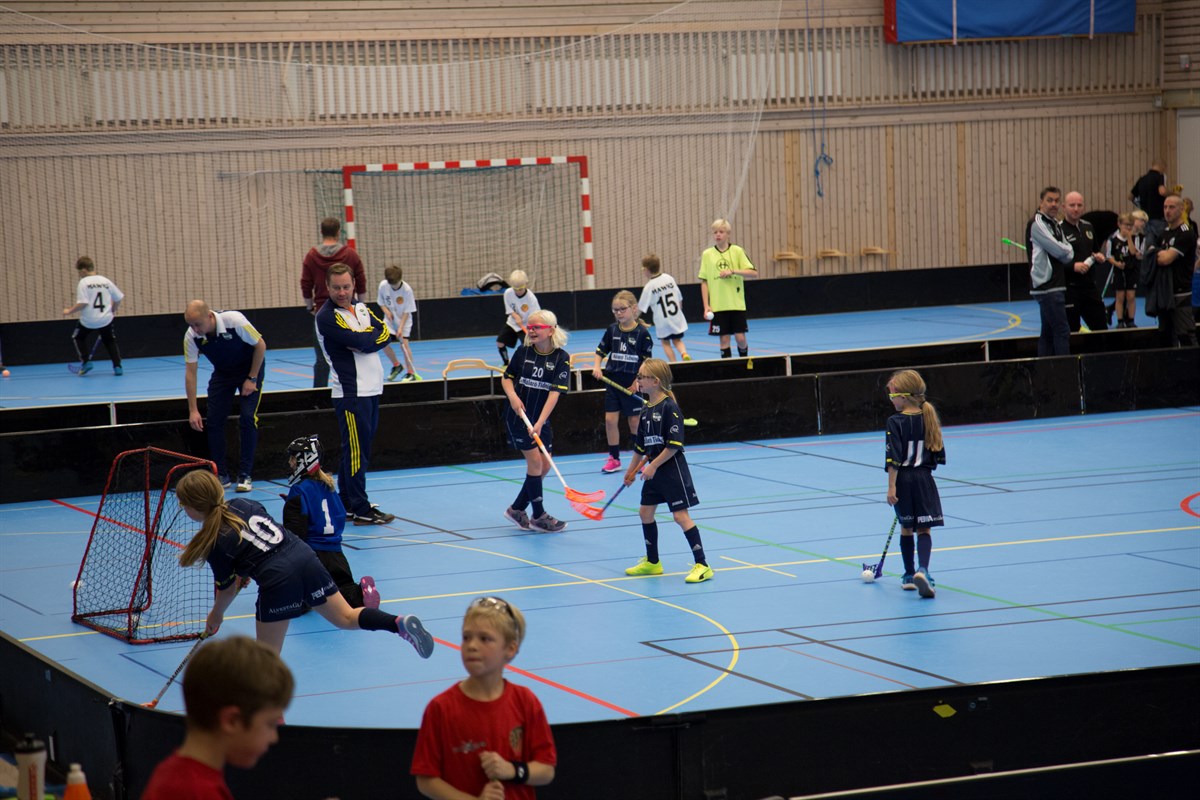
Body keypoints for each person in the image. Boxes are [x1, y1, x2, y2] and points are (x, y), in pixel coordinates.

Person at [174, 469, 433, 657]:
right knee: (346, 617)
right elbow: (256, 543)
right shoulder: (245, 503)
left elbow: (228, 589)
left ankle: (271, 715)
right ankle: (397, 623)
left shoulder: (213, 542)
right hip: (304, 557)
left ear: (193, 508)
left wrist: (216, 615)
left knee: (266, 660)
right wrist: (244, 570)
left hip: (277, 578)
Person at [411, 596, 557, 800]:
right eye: (466, 637)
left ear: (510, 649)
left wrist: (512, 770)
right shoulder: (440, 708)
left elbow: (546, 769)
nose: (472, 645)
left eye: (484, 639)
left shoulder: (525, 701)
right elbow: (426, 780)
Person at [140, 636, 293, 800]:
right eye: (270, 724)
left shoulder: (178, 773)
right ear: (232, 721)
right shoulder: (195, 791)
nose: (274, 737)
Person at [316, 263, 397, 526]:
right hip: (352, 394)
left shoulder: (361, 308)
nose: (342, 292)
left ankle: (348, 502)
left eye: (346, 287)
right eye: (336, 287)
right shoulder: (327, 316)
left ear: (354, 286)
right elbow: (363, 342)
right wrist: (368, 338)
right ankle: (361, 508)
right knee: (356, 453)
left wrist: (366, 338)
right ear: (327, 287)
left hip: (371, 390)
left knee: (359, 451)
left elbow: (385, 334)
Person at [622, 358, 712, 584]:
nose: (638, 380)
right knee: (645, 512)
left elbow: (674, 445)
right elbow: (640, 447)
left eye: (641, 377)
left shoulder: (669, 408)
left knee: (680, 516)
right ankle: (653, 562)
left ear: (655, 381)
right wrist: (631, 471)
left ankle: (703, 565)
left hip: (671, 470)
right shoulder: (645, 409)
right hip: (654, 471)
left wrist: (652, 466)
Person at [281, 434, 379, 610]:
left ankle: (304, 599)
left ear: (305, 460)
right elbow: (339, 516)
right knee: (344, 590)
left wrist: (291, 508)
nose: (290, 463)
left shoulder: (299, 490)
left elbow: (296, 534)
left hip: (312, 557)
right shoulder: (329, 486)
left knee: (296, 598)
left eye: (293, 458)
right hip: (336, 554)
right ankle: (361, 594)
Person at [500, 309, 571, 534]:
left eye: (536, 327)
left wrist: (540, 422)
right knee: (536, 464)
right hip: (518, 417)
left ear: (550, 330)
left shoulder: (561, 358)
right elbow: (507, 378)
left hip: (540, 419)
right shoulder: (523, 352)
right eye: (529, 327)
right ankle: (538, 516)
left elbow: (554, 393)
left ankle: (517, 509)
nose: (531, 331)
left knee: (545, 465)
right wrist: (513, 396)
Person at [184, 300, 266, 492]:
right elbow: (190, 373)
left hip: (249, 370)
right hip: (223, 373)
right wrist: (193, 410)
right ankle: (220, 474)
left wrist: (252, 378)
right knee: (213, 421)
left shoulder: (235, 321)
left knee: (247, 417)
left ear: (209, 316)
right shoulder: (191, 336)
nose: (195, 329)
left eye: (198, 324)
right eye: (191, 325)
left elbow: (261, 345)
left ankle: (245, 474)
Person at [884, 369, 946, 599]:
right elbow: (938, 455)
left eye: (892, 396)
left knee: (906, 527)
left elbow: (893, 458)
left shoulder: (895, 421)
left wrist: (892, 487)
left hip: (903, 480)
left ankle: (909, 575)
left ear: (903, 397)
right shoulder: (928, 417)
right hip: (924, 479)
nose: (891, 401)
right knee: (924, 528)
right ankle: (924, 570)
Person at [301, 217, 368, 389]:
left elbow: (306, 283)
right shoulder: (350, 254)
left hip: (323, 311)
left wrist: (309, 306)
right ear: (339, 232)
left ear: (321, 232)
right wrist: (361, 307)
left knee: (322, 359)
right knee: (354, 353)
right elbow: (361, 280)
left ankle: (319, 396)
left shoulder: (311, 256)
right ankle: (356, 390)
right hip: (348, 311)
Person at [592, 290, 653, 474]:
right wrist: (597, 366)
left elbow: (646, 362)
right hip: (613, 382)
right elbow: (600, 351)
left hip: (633, 384)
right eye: (615, 310)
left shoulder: (642, 334)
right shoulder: (612, 330)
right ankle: (614, 458)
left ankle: (639, 460)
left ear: (634, 309)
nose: (618, 313)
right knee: (610, 420)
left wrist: (638, 381)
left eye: (622, 309)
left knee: (635, 422)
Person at [1025, 187, 1075, 356]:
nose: (1054, 204)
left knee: (1048, 333)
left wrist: (1065, 250)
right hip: (1047, 287)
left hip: (1055, 286)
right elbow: (1060, 251)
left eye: (1057, 201)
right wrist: (1065, 250)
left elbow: (1068, 253)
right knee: (1062, 331)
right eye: (1049, 200)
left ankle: (1046, 370)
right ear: (1041, 202)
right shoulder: (1037, 223)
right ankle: (1064, 370)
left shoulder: (1055, 224)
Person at [698, 218, 756, 361]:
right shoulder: (707, 254)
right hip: (718, 306)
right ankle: (727, 368)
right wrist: (706, 306)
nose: (718, 235)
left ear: (728, 234)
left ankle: (745, 363)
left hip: (736, 304)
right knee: (724, 340)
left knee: (740, 338)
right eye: (715, 232)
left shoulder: (737, 251)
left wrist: (733, 271)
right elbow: (704, 281)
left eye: (721, 232)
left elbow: (753, 273)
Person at [1145, 194, 1198, 347]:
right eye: (1165, 207)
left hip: (1181, 292)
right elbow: (1149, 255)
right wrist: (1156, 254)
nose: (1167, 211)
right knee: (1165, 336)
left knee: (1186, 336)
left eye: (1172, 207)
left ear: (1181, 209)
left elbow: (1165, 259)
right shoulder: (1164, 233)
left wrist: (1156, 254)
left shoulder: (1186, 232)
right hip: (1165, 293)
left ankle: (1193, 362)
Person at [63, 256, 124, 376]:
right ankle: (118, 367)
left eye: (79, 272)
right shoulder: (105, 280)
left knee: (78, 337)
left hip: (89, 320)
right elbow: (118, 298)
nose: (79, 275)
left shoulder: (84, 282)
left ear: (84, 270)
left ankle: (86, 362)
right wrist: (113, 309)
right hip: (105, 319)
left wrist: (69, 311)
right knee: (110, 341)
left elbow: (83, 303)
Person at [1059, 191, 1108, 332]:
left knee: (1101, 329)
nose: (1076, 209)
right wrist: (1072, 266)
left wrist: (1098, 257)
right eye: (1072, 205)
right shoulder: (1058, 230)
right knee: (1072, 330)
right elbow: (1053, 262)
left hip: (1090, 287)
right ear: (1064, 207)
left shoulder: (1088, 227)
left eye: (1079, 205)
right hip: (1069, 289)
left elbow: (1095, 251)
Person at [637, 254, 690, 362]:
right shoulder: (669, 278)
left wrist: (633, 318)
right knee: (677, 340)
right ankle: (684, 353)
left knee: (665, 343)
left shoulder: (649, 287)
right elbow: (679, 297)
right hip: (675, 316)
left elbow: (641, 308)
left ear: (646, 270)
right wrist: (679, 312)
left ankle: (674, 363)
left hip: (662, 320)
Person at [377, 264, 421, 382]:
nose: (394, 287)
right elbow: (381, 302)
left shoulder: (407, 290)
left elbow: (407, 311)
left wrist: (401, 328)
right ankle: (396, 365)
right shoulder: (383, 286)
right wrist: (386, 312)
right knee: (382, 342)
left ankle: (410, 373)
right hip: (390, 321)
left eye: (396, 284)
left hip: (404, 321)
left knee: (404, 346)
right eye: (392, 285)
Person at [496, 270, 541, 367]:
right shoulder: (508, 293)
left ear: (526, 284)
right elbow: (509, 308)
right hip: (512, 323)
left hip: (526, 325)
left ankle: (529, 364)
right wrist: (515, 316)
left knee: (527, 346)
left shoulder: (531, 298)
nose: (518, 291)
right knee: (500, 342)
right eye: (515, 289)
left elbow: (536, 315)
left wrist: (530, 326)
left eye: (520, 289)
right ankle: (506, 363)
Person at [1103, 213, 1138, 328]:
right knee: (1120, 297)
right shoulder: (1112, 240)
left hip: (1131, 271)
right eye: (1126, 225)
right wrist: (1117, 264)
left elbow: (1133, 252)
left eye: (1130, 225)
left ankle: (1131, 320)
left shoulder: (1135, 238)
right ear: (1119, 224)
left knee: (1131, 296)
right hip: (1118, 271)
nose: (1128, 227)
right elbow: (1109, 256)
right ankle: (1120, 321)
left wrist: (1129, 238)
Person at [1130, 160, 1169, 244]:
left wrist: (1140, 205)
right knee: (1161, 243)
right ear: (1163, 166)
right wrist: (1174, 194)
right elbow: (1162, 191)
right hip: (1158, 217)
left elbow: (1131, 196)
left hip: (1146, 218)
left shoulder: (1142, 179)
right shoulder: (1160, 176)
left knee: (1149, 243)